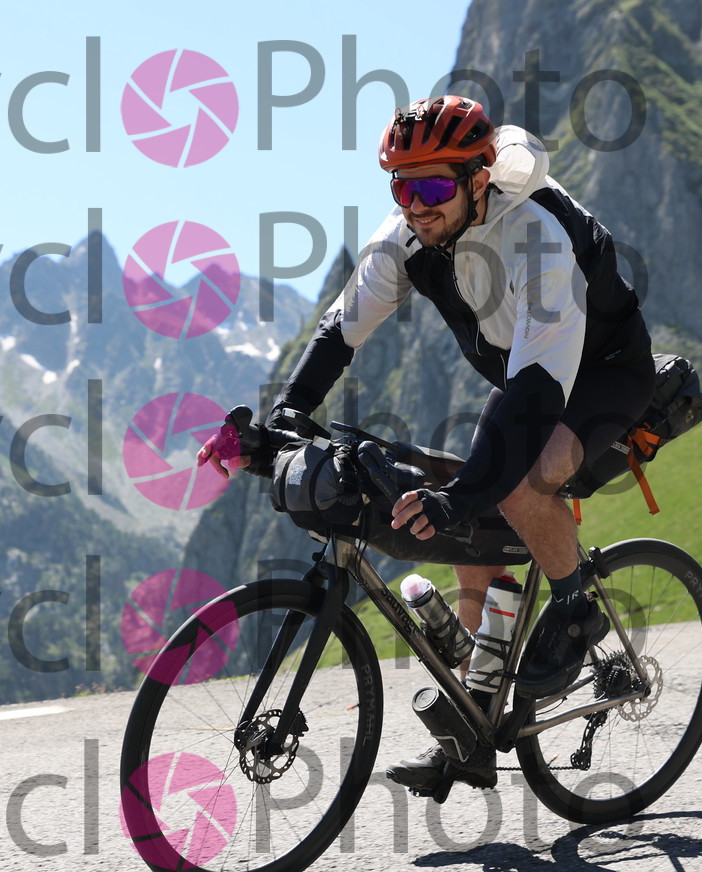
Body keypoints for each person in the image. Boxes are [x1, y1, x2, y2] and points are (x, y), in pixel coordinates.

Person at [199, 95, 655, 794]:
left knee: (516, 484)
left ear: (479, 179)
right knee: (475, 540)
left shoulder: (535, 233)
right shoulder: (408, 238)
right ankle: (473, 729)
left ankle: (576, 608)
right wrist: (285, 415)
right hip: (526, 371)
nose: (417, 206)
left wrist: (462, 495)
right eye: (402, 188)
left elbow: (540, 394)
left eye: (434, 188)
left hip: (602, 373)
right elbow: (340, 331)